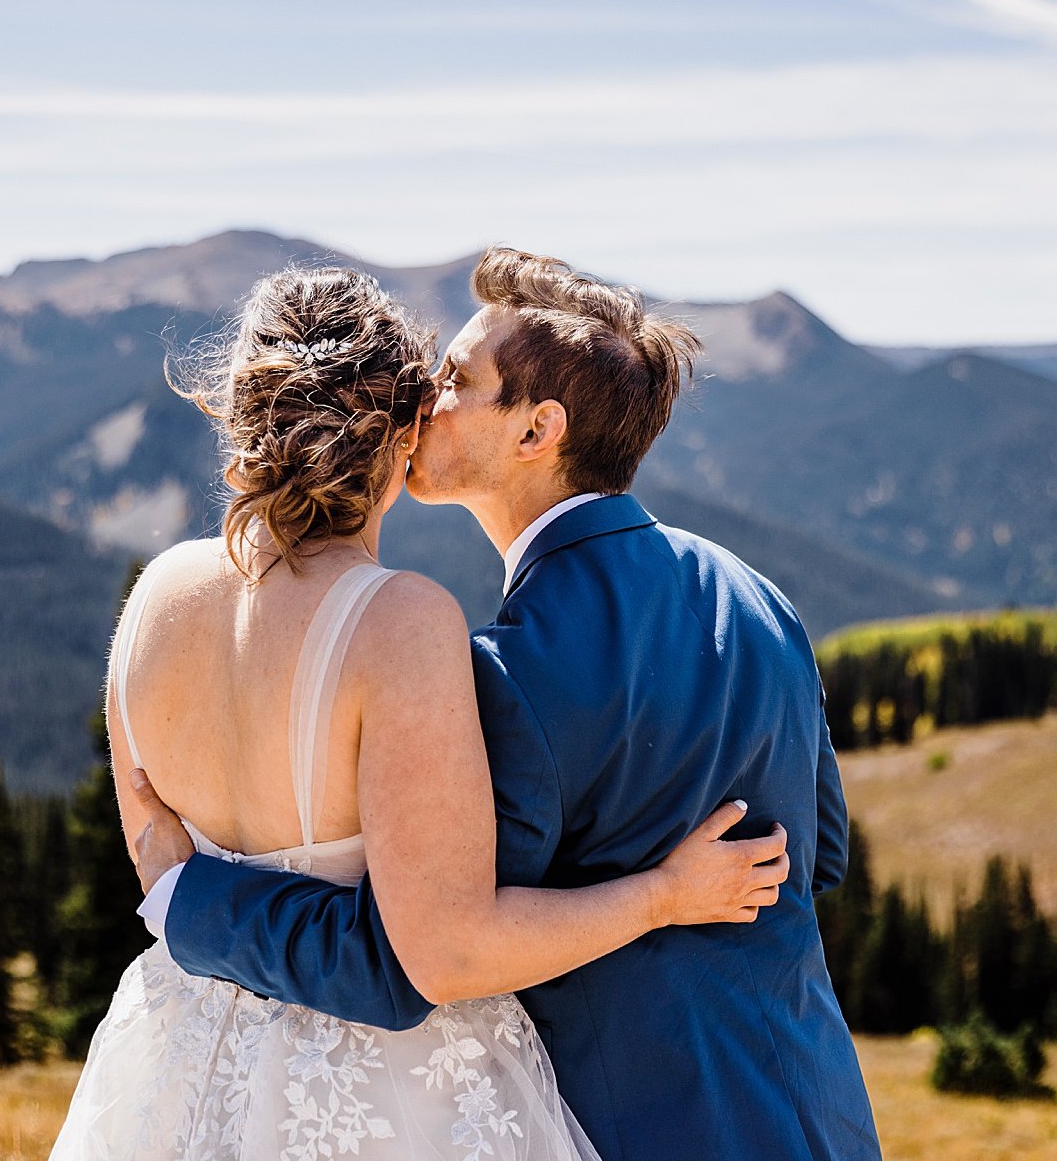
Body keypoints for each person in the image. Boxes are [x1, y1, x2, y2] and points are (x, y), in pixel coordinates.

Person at [133, 247, 883, 1161]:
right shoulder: (758, 596)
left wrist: (186, 895)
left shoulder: (504, 672)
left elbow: (421, 959)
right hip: (816, 1109)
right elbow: (819, 855)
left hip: (638, 1126)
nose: (423, 401)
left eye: (454, 380)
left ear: (537, 432)